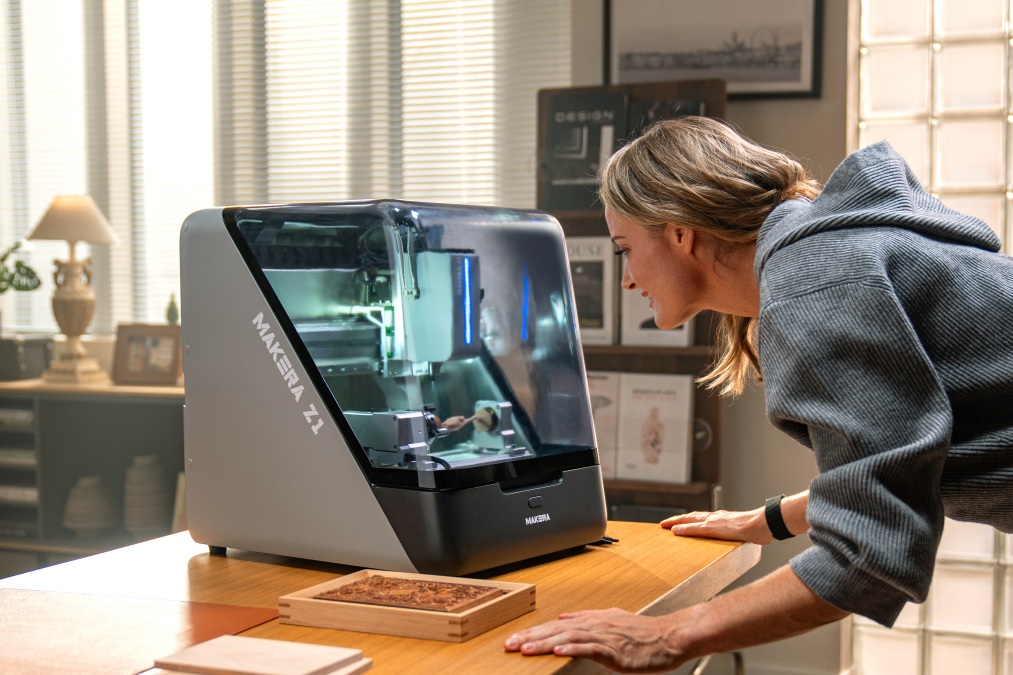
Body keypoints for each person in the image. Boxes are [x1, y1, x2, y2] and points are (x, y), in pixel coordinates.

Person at [503, 116, 1013, 672]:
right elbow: (908, 463)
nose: (626, 279)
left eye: (625, 248)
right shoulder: (828, 256)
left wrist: (668, 634)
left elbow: (868, 553)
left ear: (679, 231)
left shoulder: (816, 283)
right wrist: (771, 521)